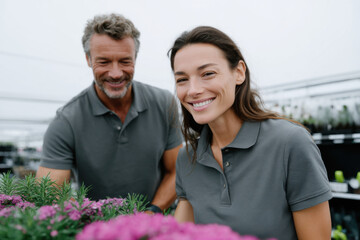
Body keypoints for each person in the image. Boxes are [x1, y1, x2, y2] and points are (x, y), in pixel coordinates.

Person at [168, 26, 332, 240]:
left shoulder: (290, 143)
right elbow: (181, 235)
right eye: (182, 79)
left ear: (239, 73)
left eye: (207, 74)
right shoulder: (187, 158)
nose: (193, 90)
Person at [36, 13, 183, 213]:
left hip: (154, 222)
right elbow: (48, 198)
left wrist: (151, 213)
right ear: (88, 59)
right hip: (92, 227)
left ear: (135, 59)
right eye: (104, 62)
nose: (115, 73)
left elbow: (176, 170)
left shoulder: (164, 104)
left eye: (125, 61)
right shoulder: (66, 122)